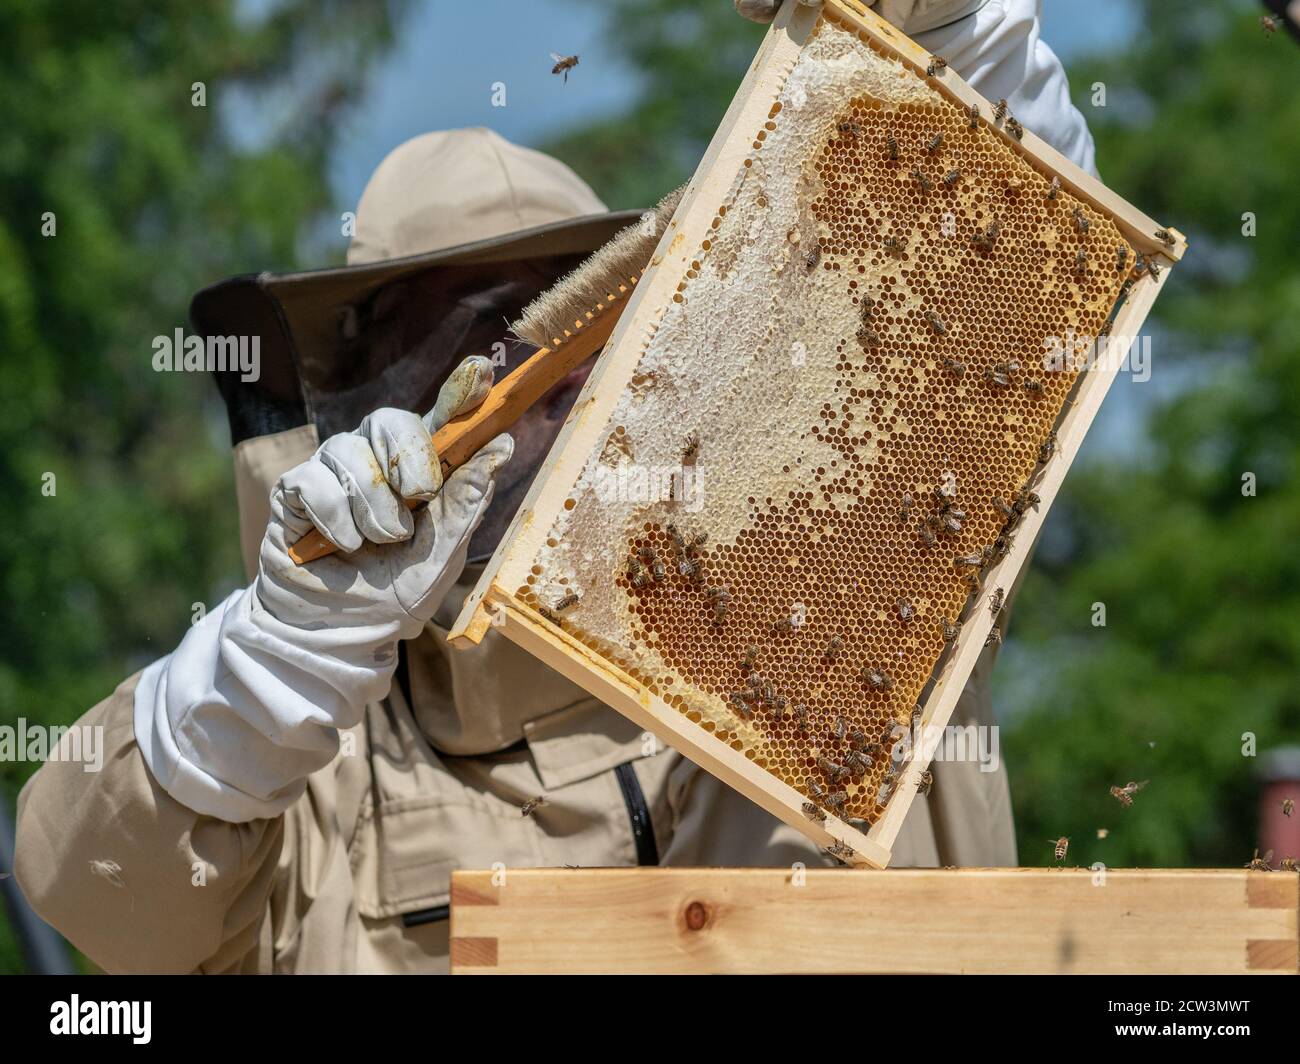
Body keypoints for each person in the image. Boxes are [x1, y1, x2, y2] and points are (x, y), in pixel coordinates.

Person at [16, 0, 1095, 973]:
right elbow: (97, 891)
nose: (539, 378)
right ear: (355, 402)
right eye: (467, 334)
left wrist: (946, 34)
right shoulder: (305, 778)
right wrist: (272, 665)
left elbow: (994, 281)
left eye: (579, 319)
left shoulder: (840, 587)